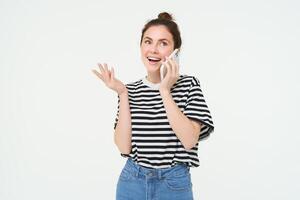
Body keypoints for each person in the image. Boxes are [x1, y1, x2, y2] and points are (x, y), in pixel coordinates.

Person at [92, 12, 214, 200]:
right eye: (148, 41)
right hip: (132, 181)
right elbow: (124, 148)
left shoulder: (189, 85)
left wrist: (165, 90)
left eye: (163, 43)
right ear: (141, 46)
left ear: (176, 51)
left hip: (173, 184)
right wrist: (122, 93)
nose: (153, 50)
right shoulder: (130, 90)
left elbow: (189, 141)